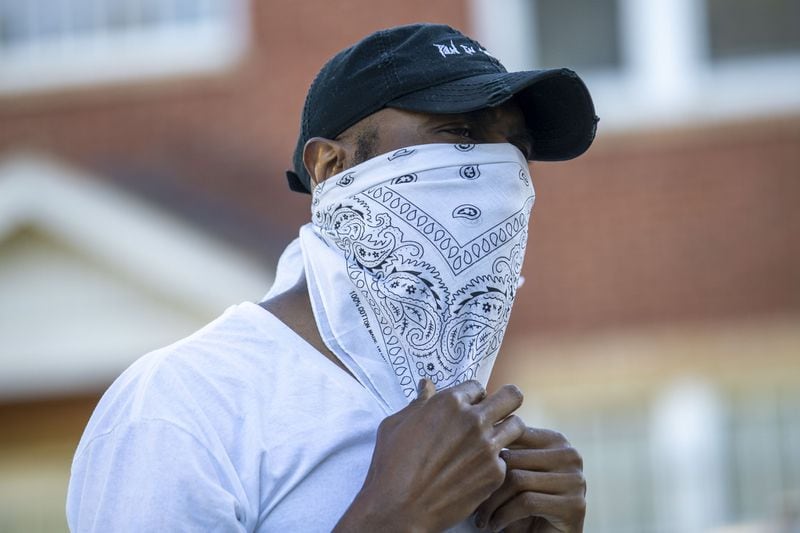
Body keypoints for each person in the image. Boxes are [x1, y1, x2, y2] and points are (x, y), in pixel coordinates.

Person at [67, 23, 597, 532]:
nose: (497, 168)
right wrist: (391, 519)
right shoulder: (183, 404)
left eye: (516, 148)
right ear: (330, 166)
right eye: (457, 132)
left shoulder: (491, 442)